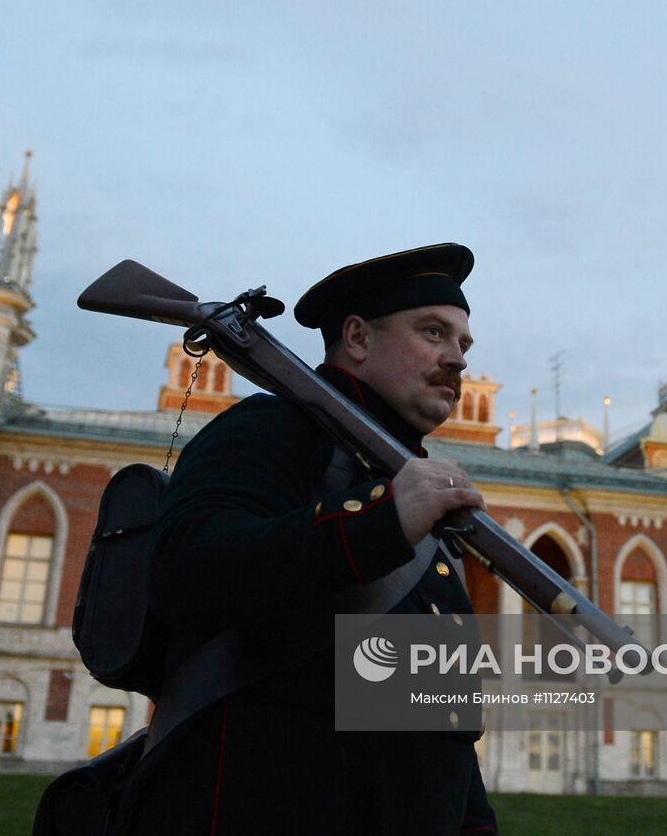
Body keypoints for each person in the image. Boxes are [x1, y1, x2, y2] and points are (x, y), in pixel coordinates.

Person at [117, 243, 498, 835]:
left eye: (463, 344)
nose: (457, 360)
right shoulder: (274, 430)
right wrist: (386, 522)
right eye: (433, 333)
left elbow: (435, 729)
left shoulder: (407, 487)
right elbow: (186, 570)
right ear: (358, 338)